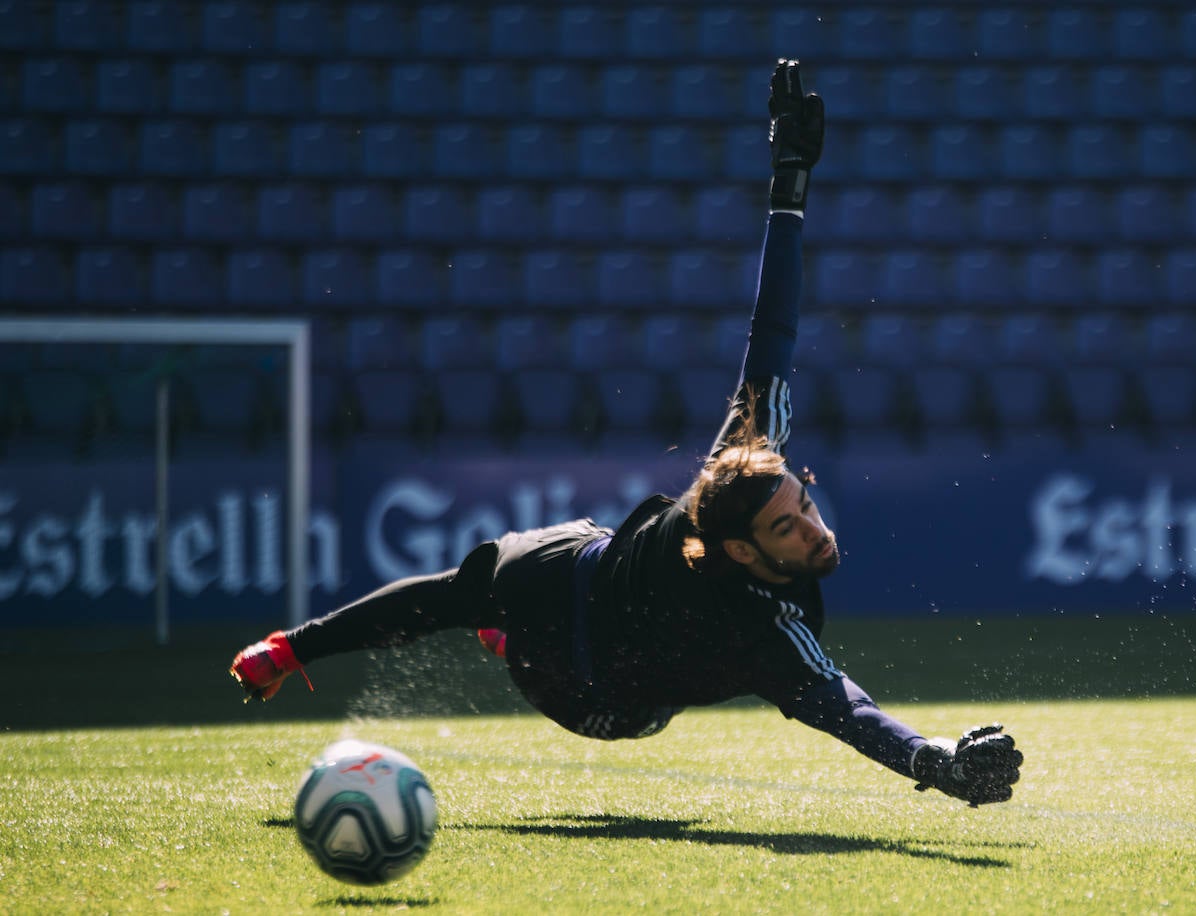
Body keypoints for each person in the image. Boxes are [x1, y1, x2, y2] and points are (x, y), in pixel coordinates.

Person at [231, 60, 1023, 807]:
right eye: (790, 525)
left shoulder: (744, 480)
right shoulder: (765, 632)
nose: (815, 529)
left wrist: (791, 184)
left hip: (594, 699)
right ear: (741, 550)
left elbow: (772, 332)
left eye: (805, 507)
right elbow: (851, 706)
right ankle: (427, 635)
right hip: (565, 607)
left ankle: (505, 632)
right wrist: (291, 648)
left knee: (557, 640)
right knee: (474, 589)